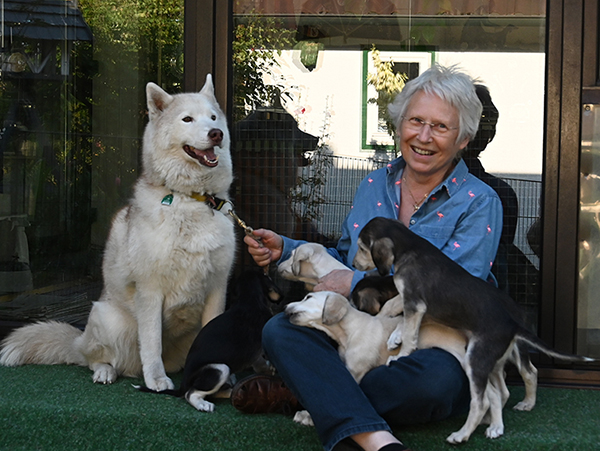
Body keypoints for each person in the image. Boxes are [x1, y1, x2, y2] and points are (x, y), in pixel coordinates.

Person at [235, 64, 503, 451]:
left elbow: (456, 297)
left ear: (463, 139)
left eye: (440, 127)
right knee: (281, 331)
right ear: (399, 126)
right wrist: (287, 249)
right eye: (415, 121)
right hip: (358, 335)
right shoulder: (373, 184)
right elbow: (345, 260)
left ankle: (312, 393)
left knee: (429, 387)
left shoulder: (479, 202)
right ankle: (376, 440)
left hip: (432, 342)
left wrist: (358, 284)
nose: (423, 137)